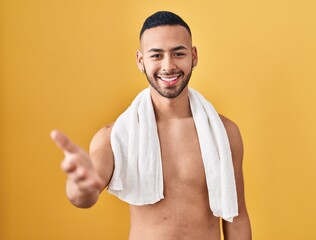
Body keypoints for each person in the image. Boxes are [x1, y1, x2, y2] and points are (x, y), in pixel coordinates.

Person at [51, 11, 252, 240]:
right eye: (156, 55)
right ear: (140, 61)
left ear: (194, 56)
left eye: (178, 53)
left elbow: (237, 217)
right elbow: (82, 197)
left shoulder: (224, 133)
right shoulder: (115, 136)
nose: (168, 66)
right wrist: (80, 184)